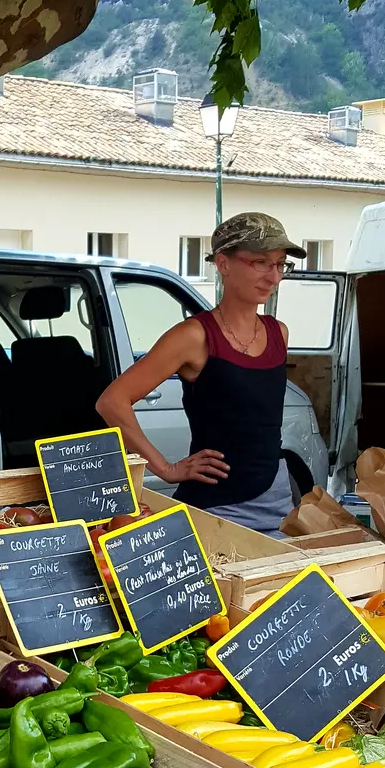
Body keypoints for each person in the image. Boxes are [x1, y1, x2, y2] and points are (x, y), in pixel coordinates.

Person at [96, 212, 306, 534]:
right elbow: (112, 402)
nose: (273, 277)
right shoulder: (194, 336)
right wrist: (166, 468)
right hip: (216, 510)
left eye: (280, 265)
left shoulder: (279, 333)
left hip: (277, 501)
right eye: (261, 263)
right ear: (223, 264)